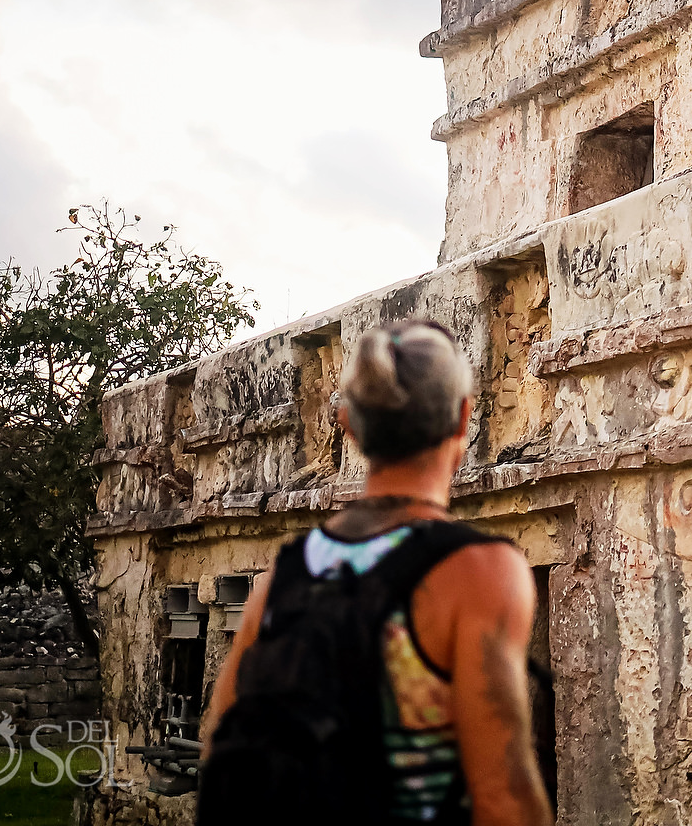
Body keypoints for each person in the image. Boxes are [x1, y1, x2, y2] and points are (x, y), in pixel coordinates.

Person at [200, 319, 552, 826]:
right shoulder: (479, 572)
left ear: (346, 424)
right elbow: (503, 799)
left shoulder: (286, 575)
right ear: (463, 418)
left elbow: (219, 741)